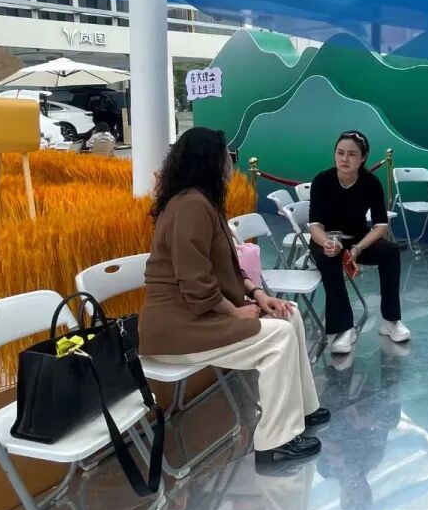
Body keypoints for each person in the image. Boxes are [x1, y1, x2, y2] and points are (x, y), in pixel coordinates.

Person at [140, 127, 329, 465]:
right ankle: (275, 440)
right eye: (227, 157)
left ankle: (302, 408)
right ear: (209, 162)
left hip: (196, 317)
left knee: (289, 314)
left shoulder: (202, 203)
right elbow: (194, 281)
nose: (231, 164)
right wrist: (233, 312)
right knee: (279, 337)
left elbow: (225, 266)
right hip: (178, 329)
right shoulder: (190, 207)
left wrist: (258, 295)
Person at [308, 130, 407, 355]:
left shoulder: (371, 183)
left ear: (363, 157)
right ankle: (344, 328)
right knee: (329, 258)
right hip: (326, 239)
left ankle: (390, 320)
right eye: (340, 153)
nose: (344, 159)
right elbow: (314, 225)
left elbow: (381, 226)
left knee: (390, 251)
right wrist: (327, 243)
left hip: (358, 240)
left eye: (352, 154)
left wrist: (357, 248)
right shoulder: (322, 180)